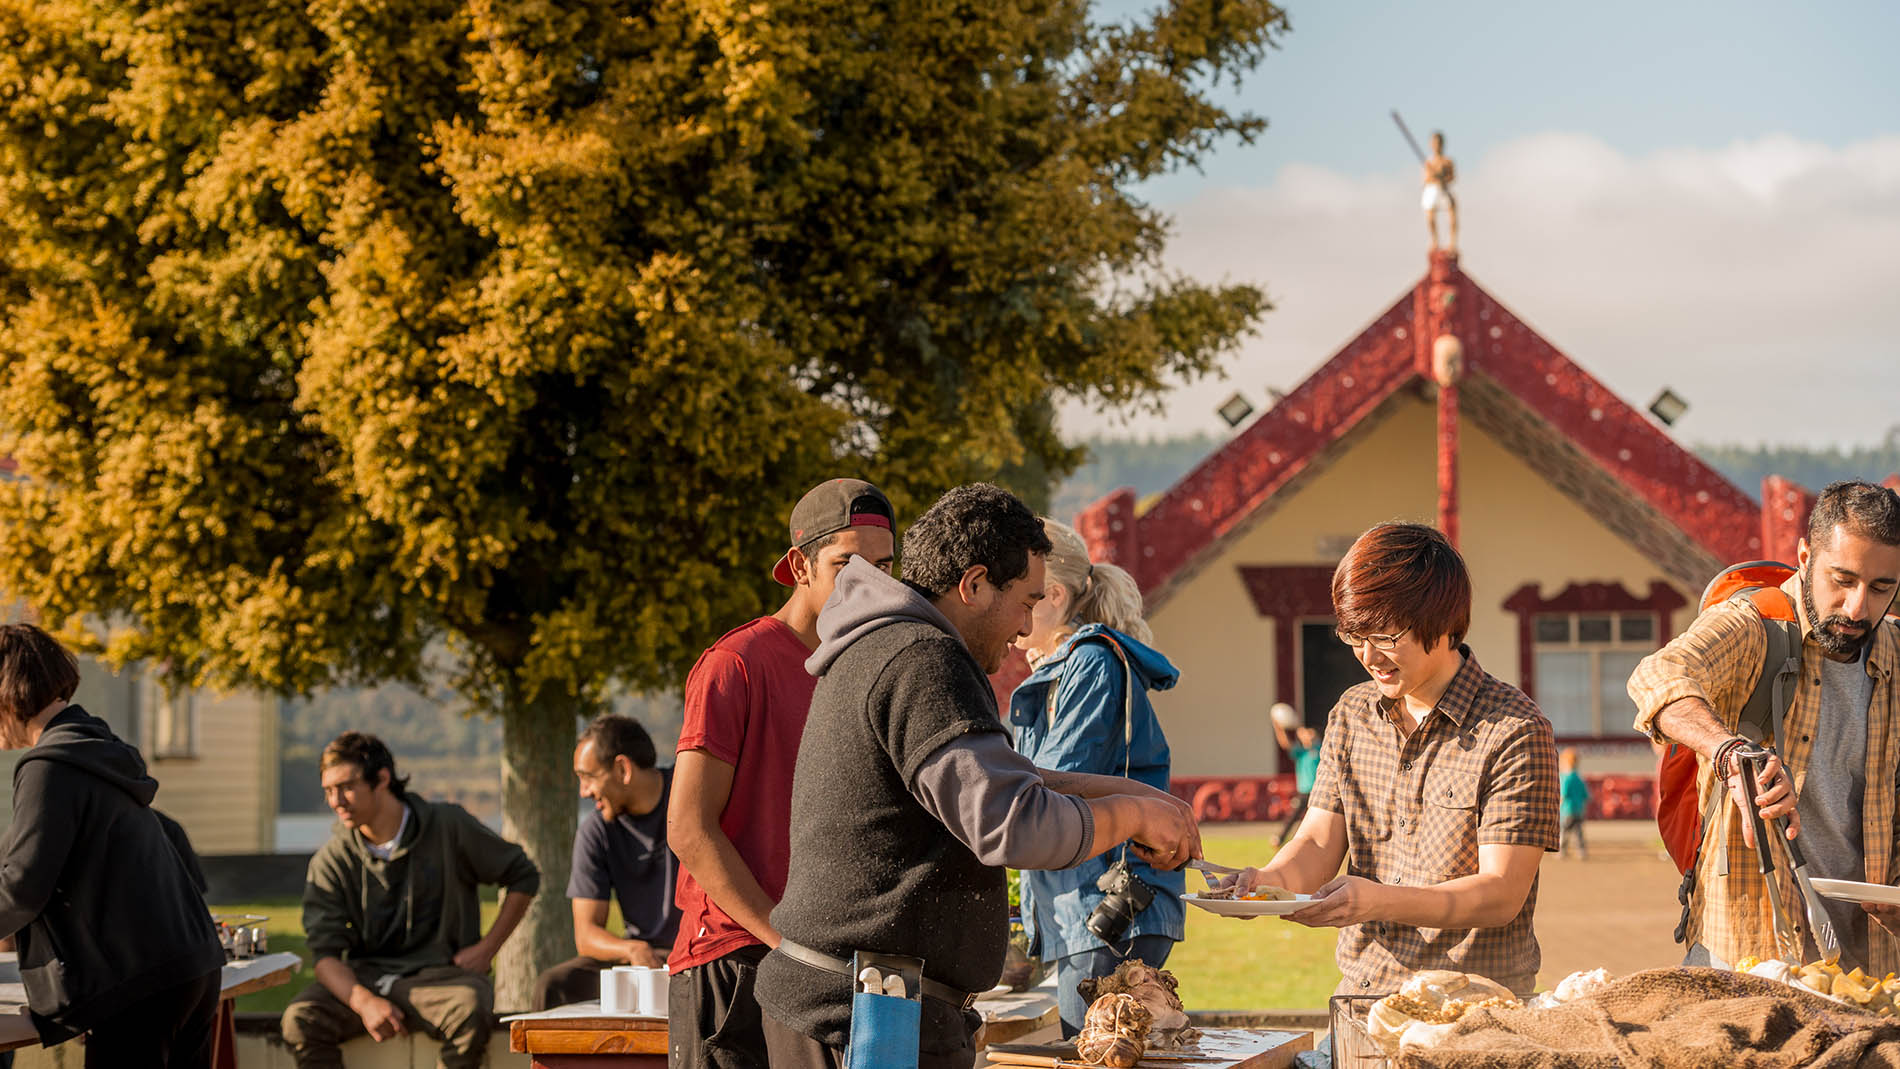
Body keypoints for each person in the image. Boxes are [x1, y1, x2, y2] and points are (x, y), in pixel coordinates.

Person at [755, 483, 1202, 1069]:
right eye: (1024, 601)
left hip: (861, 1003)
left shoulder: (897, 645)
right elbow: (1016, 824)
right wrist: (1137, 815)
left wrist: (1133, 794)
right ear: (973, 585)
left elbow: (1005, 778)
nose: (1024, 628)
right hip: (862, 1016)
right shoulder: (924, 659)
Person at [1222, 523, 1558, 997]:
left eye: (1385, 636)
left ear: (1442, 624)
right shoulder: (1352, 714)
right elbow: (1318, 841)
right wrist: (1263, 885)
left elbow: (1500, 893)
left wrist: (1377, 901)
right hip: (1362, 992)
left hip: (1477, 1004)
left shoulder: (1515, 730)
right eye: (1354, 636)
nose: (1367, 656)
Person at [666, 477, 898, 1068]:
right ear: (800, 565)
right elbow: (689, 828)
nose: (869, 583)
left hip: (822, 969)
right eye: (847, 563)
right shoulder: (733, 665)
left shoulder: (868, 668)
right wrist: (783, 939)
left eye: (884, 566)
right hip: (734, 962)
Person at [1629, 480, 1900, 972]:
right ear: (1804, 557)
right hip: (1746, 954)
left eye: (1881, 587)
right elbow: (1657, 676)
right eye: (1841, 579)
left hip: (1870, 966)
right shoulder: (1755, 626)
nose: (1858, 607)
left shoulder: (1897, 656)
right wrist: (1729, 752)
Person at [0, 624, 225, 1068]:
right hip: (189, 966)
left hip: (144, 982)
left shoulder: (49, 767)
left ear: (9, 691)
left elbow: (21, 887)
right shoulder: (96, 749)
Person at [1008, 517, 1185, 1038]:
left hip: (1109, 909)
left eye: (1019, 591)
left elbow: (1056, 781)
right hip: (1084, 906)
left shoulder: (1090, 663)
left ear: (1053, 594)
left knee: (1098, 1051)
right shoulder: (1063, 667)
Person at [282, 732, 540, 1069]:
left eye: (346, 786)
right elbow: (325, 956)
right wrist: (364, 1002)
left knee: (470, 1006)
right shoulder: (332, 860)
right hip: (366, 981)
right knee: (299, 1019)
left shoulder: (448, 825)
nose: (336, 801)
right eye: (328, 790)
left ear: (382, 779)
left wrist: (487, 948)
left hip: (442, 980)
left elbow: (523, 874)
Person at [534, 714, 680, 1010]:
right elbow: (586, 935)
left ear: (622, 769)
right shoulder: (596, 831)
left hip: (700, 954)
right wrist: (633, 949)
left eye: (588, 777)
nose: (584, 792)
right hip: (640, 958)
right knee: (555, 985)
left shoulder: (688, 796)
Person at [1270, 706, 1320, 847]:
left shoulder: (1319, 749)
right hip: (1304, 790)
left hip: (1318, 790)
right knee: (1293, 816)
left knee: (1318, 818)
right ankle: (1280, 839)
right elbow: (1285, 743)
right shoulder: (1301, 751)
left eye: (1309, 733)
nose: (1306, 735)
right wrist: (1278, 727)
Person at [1421, 130, 1458, 253]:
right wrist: (1434, 175)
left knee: (1452, 211)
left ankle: (1452, 243)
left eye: (1438, 142)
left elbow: (1452, 177)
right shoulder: (1429, 162)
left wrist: (1443, 177)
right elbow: (1425, 179)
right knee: (1430, 216)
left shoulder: (1447, 161)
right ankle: (1435, 241)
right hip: (1431, 190)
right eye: (1434, 143)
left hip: (1443, 188)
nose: (1436, 145)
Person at [1558, 748, 1590, 860]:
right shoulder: (1579, 778)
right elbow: (1586, 795)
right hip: (1579, 810)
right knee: (1578, 833)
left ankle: (1561, 851)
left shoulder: (1566, 778)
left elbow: (1563, 794)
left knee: (1564, 831)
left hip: (1567, 810)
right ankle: (1581, 852)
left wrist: (1558, 806)